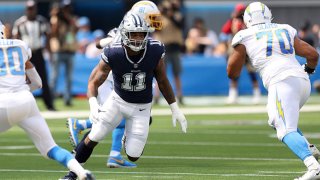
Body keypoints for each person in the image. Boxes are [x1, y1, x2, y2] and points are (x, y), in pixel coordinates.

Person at [61, 12, 187, 180]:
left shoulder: (155, 49)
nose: (137, 38)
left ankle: (127, 136)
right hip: (118, 101)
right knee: (95, 135)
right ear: (124, 34)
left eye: (141, 34)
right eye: (133, 33)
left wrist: (175, 107)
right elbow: (93, 82)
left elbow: (163, 80)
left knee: (133, 155)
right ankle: (73, 174)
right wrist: (93, 105)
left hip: (142, 107)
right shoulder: (114, 51)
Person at [227, 2, 320, 179]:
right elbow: (313, 55)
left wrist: (242, 50)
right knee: (276, 119)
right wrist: (308, 71)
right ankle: (308, 147)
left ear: (247, 19)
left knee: (285, 129)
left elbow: (232, 73)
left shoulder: (244, 35)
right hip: (302, 81)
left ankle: (313, 167)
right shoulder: (284, 28)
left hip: (281, 82)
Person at [67, 0, 163, 169]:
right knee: (105, 123)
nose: (154, 21)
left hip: (123, 83)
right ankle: (88, 143)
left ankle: (112, 153)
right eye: (151, 17)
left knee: (127, 119)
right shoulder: (124, 32)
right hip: (112, 82)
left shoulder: (142, 36)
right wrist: (108, 41)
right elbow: (98, 46)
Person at [0, 21, 94, 180]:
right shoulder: (20, 45)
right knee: (51, 148)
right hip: (26, 101)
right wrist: (19, 90)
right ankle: (82, 173)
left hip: (3, 104)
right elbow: (37, 83)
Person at [12, 0, 56, 111]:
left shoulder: (42, 21)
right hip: (25, 55)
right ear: (26, 9)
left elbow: (48, 38)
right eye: (29, 9)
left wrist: (49, 53)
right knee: (23, 80)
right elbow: (15, 39)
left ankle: (49, 105)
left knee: (43, 79)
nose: (31, 11)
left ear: (36, 9)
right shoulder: (20, 23)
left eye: (33, 8)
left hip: (38, 52)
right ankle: (22, 105)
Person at [220, 3, 261, 105]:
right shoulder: (232, 21)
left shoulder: (250, 22)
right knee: (234, 73)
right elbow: (224, 34)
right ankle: (233, 95)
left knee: (252, 72)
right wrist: (227, 48)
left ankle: (257, 95)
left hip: (248, 49)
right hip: (237, 50)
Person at [153, 0, 185, 105]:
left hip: (175, 47)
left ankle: (179, 95)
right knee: (160, 74)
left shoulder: (178, 15)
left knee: (177, 74)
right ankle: (156, 96)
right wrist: (161, 13)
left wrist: (170, 15)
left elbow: (180, 25)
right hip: (162, 47)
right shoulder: (158, 16)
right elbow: (155, 29)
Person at [49, 0, 77, 106]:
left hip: (70, 50)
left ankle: (67, 99)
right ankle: (50, 99)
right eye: (65, 8)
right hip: (58, 51)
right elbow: (53, 33)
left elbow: (76, 29)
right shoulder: (56, 19)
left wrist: (67, 17)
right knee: (54, 76)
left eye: (68, 7)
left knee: (69, 77)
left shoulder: (71, 19)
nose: (67, 9)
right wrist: (56, 16)